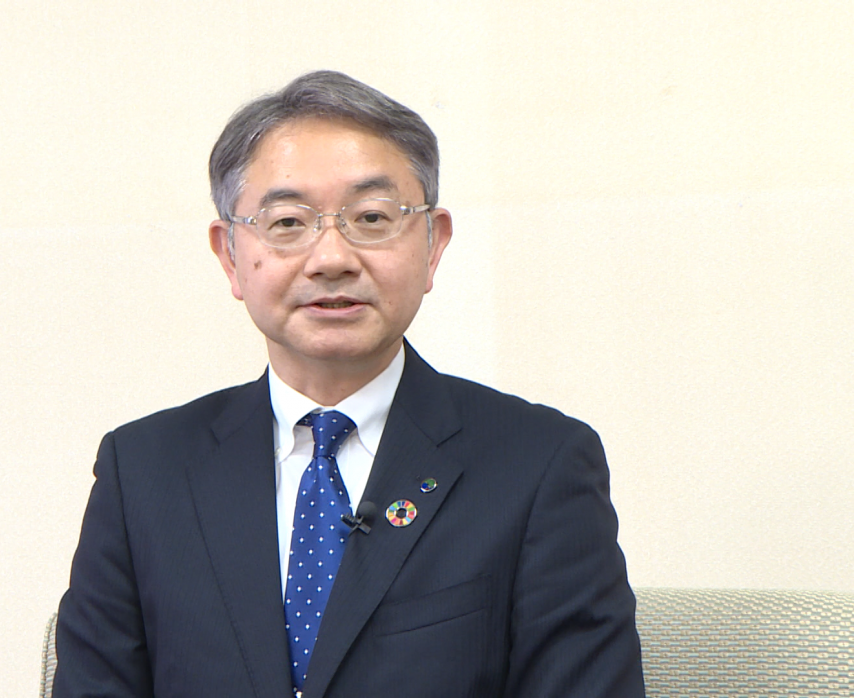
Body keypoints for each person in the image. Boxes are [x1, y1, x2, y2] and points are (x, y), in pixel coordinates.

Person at [53, 70, 644, 698]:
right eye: (288, 222)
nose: (332, 258)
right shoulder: (144, 473)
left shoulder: (539, 464)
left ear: (433, 245)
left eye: (371, 217)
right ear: (230, 255)